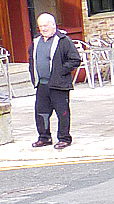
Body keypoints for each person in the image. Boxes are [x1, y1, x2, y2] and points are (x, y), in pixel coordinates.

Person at [29, 13, 81, 149]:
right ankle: (44, 137)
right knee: (41, 112)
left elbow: (75, 60)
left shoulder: (63, 40)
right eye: (40, 26)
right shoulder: (36, 41)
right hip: (42, 84)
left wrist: (60, 71)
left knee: (62, 113)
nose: (43, 29)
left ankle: (64, 138)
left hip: (59, 84)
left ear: (53, 25)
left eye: (46, 25)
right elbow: (31, 60)